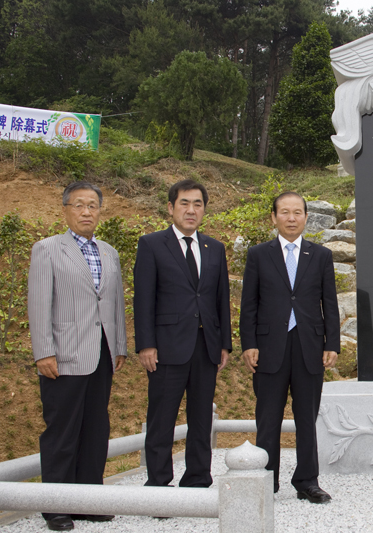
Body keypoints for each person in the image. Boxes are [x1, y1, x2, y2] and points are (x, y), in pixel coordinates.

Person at [28, 181, 127, 531]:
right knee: (62, 429)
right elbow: (39, 303)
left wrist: (119, 346)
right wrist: (44, 351)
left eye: (93, 206)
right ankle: (56, 505)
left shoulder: (109, 251)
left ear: (100, 211)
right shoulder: (48, 249)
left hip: (101, 352)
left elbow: (114, 303)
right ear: (66, 209)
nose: (87, 212)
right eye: (79, 205)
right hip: (64, 354)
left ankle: (88, 499)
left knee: (96, 428)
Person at [240, 192, 340, 503]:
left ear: (306, 217)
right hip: (270, 347)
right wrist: (249, 344)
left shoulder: (320, 256)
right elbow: (249, 304)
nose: (292, 218)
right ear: (274, 217)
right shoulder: (259, 255)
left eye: (298, 212)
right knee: (267, 417)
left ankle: (307, 481)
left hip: (309, 346)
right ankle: (265, 482)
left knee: (306, 418)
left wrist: (332, 343)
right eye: (285, 212)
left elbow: (330, 304)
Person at [134, 179, 232, 490]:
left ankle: (198, 480)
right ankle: (159, 483)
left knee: (201, 419)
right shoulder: (151, 245)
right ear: (171, 208)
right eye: (184, 203)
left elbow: (221, 299)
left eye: (197, 204)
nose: (191, 210)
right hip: (166, 348)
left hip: (205, 348)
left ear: (204, 209)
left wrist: (224, 344)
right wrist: (146, 344)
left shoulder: (214, 248)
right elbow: (144, 298)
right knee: (162, 419)